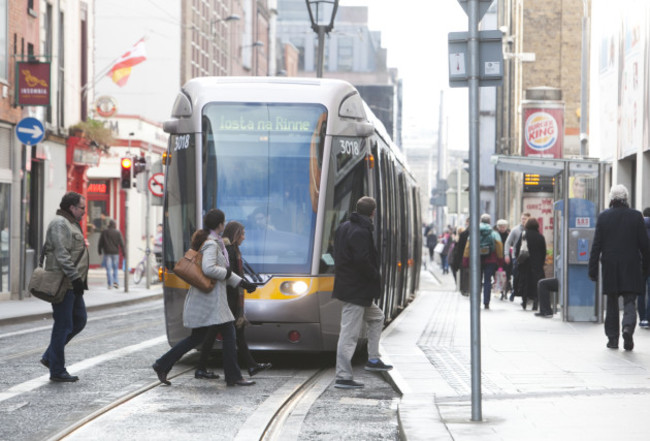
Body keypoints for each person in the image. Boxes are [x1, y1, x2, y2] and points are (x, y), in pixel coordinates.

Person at [152, 209, 258, 386]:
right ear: (220, 225)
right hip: (210, 300)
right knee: (228, 335)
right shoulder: (211, 244)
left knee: (198, 337)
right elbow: (210, 269)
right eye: (223, 223)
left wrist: (242, 283)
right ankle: (233, 376)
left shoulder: (215, 243)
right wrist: (232, 275)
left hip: (211, 300)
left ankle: (162, 364)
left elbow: (224, 272)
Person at [332, 196, 392, 389]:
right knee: (349, 334)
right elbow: (362, 261)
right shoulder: (361, 231)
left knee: (377, 317)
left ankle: (373, 359)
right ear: (373, 212)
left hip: (354, 289)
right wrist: (375, 275)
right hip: (356, 290)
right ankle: (343, 376)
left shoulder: (344, 227)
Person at [588, 185, 650, 351]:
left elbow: (596, 245)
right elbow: (645, 245)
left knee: (612, 302)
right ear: (626, 198)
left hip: (610, 266)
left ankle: (612, 339)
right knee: (630, 300)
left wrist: (592, 269)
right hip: (631, 265)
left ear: (611, 198)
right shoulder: (636, 216)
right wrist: (646, 267)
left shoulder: (603, 217)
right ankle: (628, 328)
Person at [40, 192, 89, 382]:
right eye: (82, 208)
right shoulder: (60, 224)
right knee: (63, 325)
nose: (84, 212)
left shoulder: (70, 224)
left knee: (79, 320)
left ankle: (49, 357)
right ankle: (57, 370)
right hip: (63, 283)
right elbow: (62, 254)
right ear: (72, 208)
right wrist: (75, 278)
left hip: (72, 283)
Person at [223, 220, 272, 377]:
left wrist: (246, 285)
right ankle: (205, 368)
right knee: (212, 336)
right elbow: (230, 275)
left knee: (238, 333)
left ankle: (251, 366)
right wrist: (246, 285)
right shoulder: (230, 251)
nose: (244, 237)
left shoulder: (234, 250)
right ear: (236, 235)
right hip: (229, 299)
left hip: (233, 298)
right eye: (242, 234)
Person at [514, 218, 546, 311]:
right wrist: (541, 263)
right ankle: (535, 303)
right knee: (536, 283)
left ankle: (524, 302)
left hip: (525, 262)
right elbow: (543, 251)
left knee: (525, 281)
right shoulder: (540, 237)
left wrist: (518, 259)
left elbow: (517, 248)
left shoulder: (524, 235)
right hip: (536, 264)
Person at [476, 214, 503, 309]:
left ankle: (476, 301)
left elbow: (468, 246)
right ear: (489, 222)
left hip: (477, 260)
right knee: (487, 280)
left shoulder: (475, 232)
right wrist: (500, 260)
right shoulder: (494, 233)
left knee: (477, 281)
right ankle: (486, 302)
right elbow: (499, 247)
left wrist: (466, 259)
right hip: (490, 260)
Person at [504, 212, 531, 301]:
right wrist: (506, 254)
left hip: (528, 256)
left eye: (525, 219)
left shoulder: (531, 230)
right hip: (516, 256)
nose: (523, 220)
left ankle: (524, 294)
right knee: (516, 275)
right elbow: (508, 243)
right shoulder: (515, 230)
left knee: (526, 276)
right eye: (522, 218)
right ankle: (514, 291)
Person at [97, 220, 125, 289]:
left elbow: (100, 242)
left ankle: (110, 284)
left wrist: (99, 251)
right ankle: (115, 283)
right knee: (115, 269)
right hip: (115, 253)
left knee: (108, 269)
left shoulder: (104, 232)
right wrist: (124, 253)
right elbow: (122, 244)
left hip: (107, 253)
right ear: (115, 225)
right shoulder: (117, 233)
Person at [495, 219, 511, 299]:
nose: (502, 228)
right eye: (500, 227)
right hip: (498, 258)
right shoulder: (496, 235)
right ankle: (501, 290)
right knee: (499, 274)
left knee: (507, 274)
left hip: (507, 257)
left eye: (504, 227)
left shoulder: (509, 234)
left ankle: (505, 290)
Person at [641, 207, 650, 328]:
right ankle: (648, 318)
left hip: (641, 264)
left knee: (640, 292)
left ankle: (642, 318)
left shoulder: (639, 227)